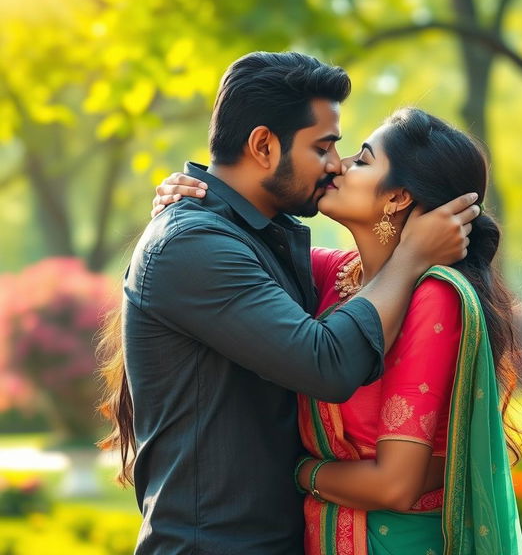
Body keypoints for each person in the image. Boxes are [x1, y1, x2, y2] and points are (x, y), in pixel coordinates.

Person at [97, 52, 479, 555]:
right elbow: (327, 364)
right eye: (323, 147)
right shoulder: (194, 245)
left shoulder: (274, 245)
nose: (335, 165)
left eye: (352, 155)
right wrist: (411, 256)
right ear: (263, 144)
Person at [156, 107, 522, 554]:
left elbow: (394, 485)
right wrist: (187, 201)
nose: (338, 165)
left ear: (398, 198)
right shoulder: (330, 276)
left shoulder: (434, 297)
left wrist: (296, 471)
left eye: (363, 160)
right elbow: (223, 255)